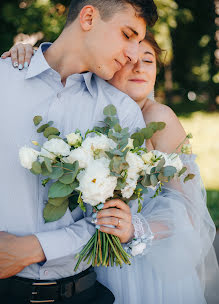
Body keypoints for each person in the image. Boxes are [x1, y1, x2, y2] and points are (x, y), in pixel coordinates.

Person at [6, 30, 219, 304]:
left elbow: (190, 211)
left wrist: (135, 229)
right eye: (129, 61)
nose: (139, 67)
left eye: (148, 60)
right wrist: (25, 54)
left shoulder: (159, 118)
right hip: (93, 262)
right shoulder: (91, 111)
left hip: (143, 265)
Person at [0, 0, 158, 303]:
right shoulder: (4, 81)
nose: (132, 55)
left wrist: (34, 248)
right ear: (88, 18)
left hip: (82, 294)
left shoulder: (122, 113)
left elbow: (116, 219)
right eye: (127, 35)